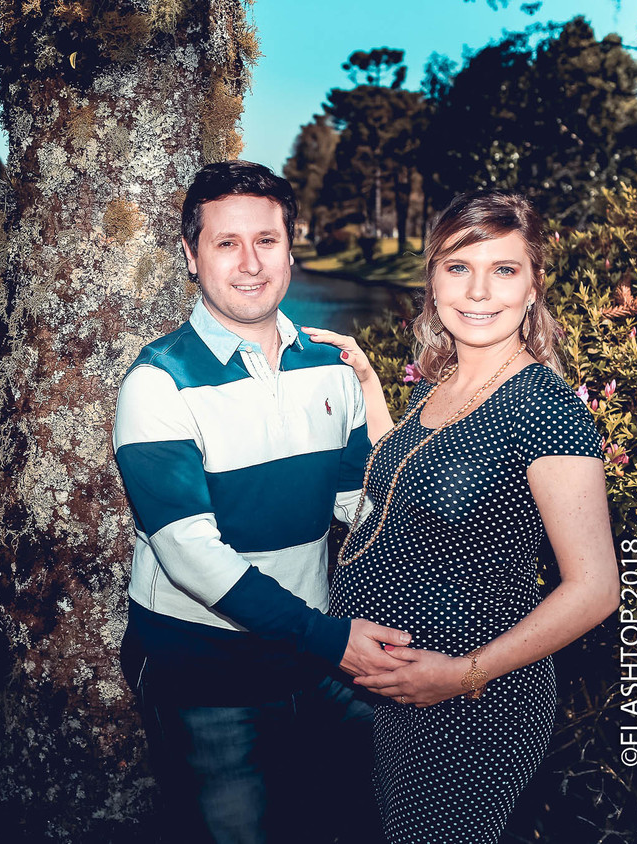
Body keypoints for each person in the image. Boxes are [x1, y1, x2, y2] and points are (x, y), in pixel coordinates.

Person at [304, 190, 619, 844]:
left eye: (504, 269)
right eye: (458, 267)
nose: (479, 290)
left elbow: (596, 587)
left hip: (472, 704)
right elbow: (411, 486)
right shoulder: (438, 385)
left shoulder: (545, 409)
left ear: (533, 286)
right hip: (392, 691)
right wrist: (367, 383)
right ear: (433, 280)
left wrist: (462, 673)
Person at [113, 160, 412, 844]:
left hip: (314, 659)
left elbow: (356, 511)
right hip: (206, 674)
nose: (250, 263)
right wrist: (332, 639)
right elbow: (191, 558)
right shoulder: (158, 384)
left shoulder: (328, 366)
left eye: (266, 240)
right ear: (191, 256)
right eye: (226, 243)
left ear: (290, 245)